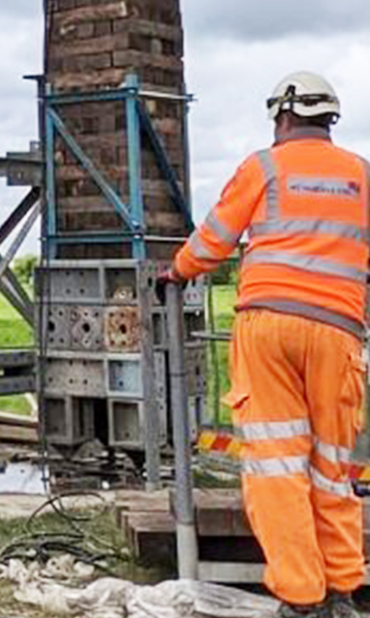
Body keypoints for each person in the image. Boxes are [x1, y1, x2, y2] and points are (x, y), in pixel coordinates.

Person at [161, 72, 369, 618]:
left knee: (277, 465)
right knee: (333, 465)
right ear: (329, 121)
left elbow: (214, 240)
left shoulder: (264, 167)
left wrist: (176, 271)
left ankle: (301, 599)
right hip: (338, 331)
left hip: (270, 326)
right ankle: (342, 591)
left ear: (282, 117)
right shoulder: (360, 175)